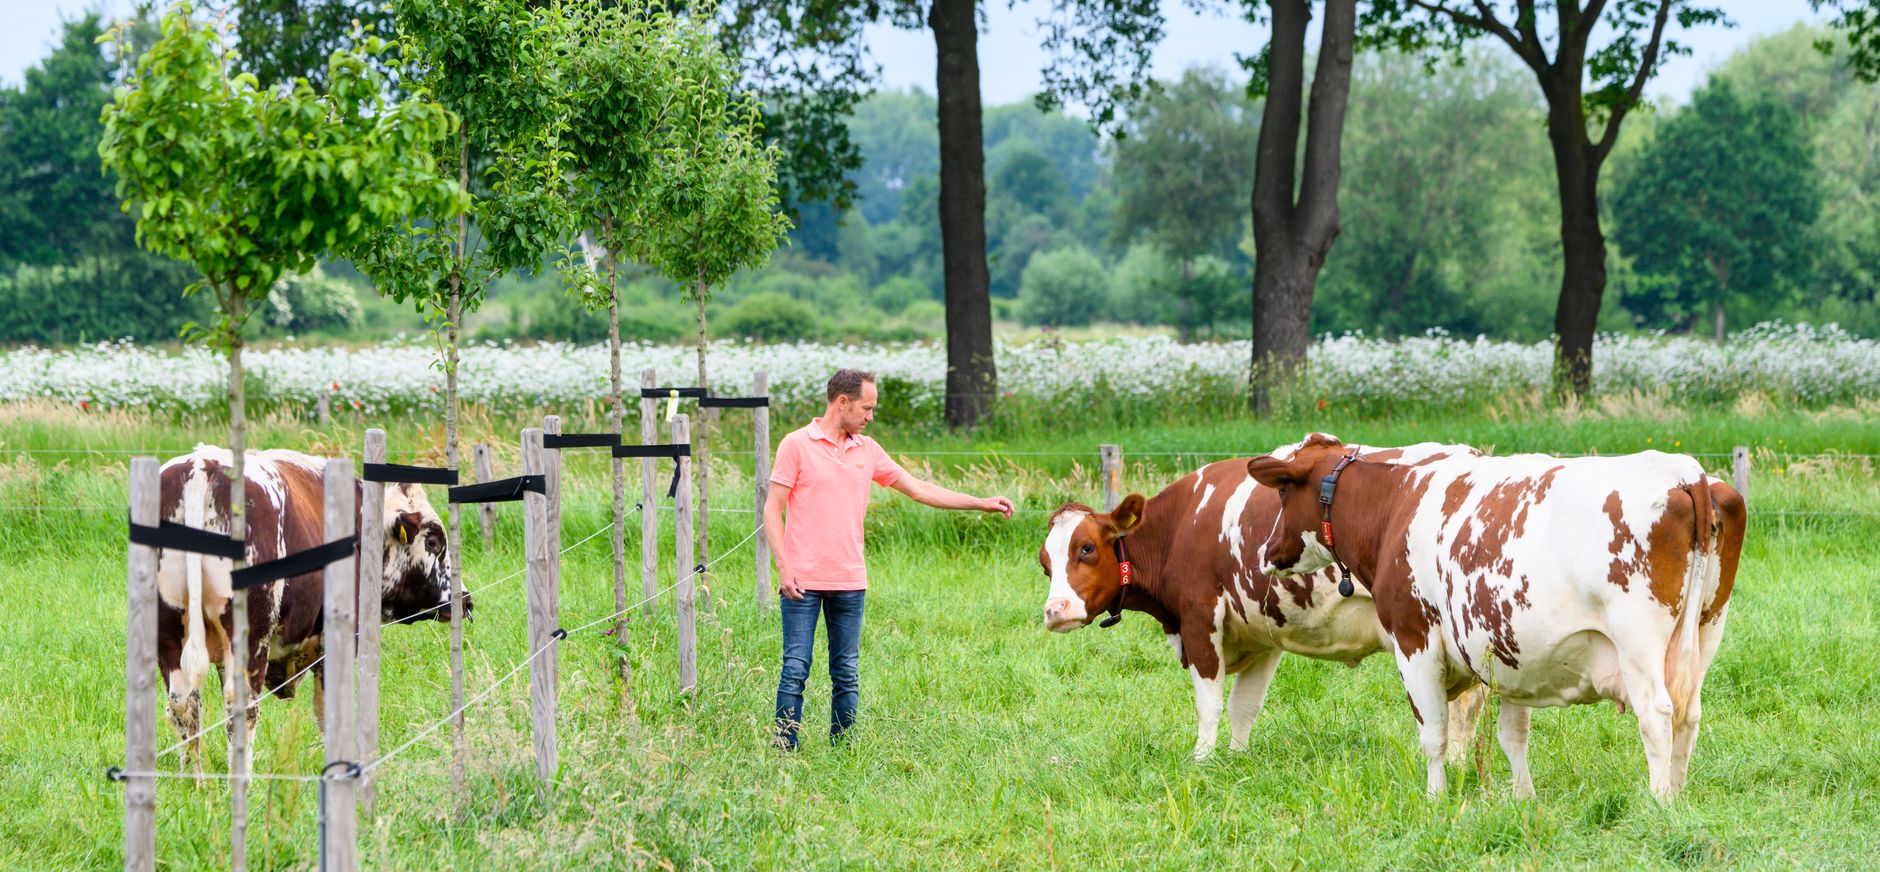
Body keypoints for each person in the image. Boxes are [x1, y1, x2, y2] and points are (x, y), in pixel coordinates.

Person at [765, 368, 1013, 750]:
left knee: (846, 673)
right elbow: (772, 509)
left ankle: (843, 749)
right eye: (866, 408)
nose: (870, 416)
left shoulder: (869, 450)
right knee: (795, 670)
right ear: (842, 402)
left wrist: (980, 503)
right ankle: (783, 750)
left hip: (850, 581)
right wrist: (784, 567)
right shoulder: (796, 445)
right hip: (802, 582)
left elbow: (918, 489)